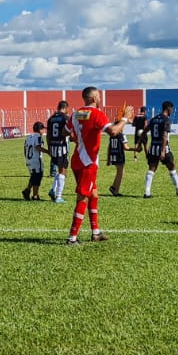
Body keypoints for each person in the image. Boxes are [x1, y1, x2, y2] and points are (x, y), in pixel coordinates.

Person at [67, 86, 129, 245]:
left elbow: (64, 132)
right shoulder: (97, 114)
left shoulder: (75, 113)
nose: (100, 99)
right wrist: (125, 119)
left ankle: (96, 233)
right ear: (94, 98)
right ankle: (72, 238)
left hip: (77, 160)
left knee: (93, 194)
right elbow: (113, 132)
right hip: (88, 163)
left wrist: (80, 139)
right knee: (83, 197)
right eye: (99, 97)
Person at [143, 100, 178, 197]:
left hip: (153, 147)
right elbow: (164, 136)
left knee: (151, 169)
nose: (172, 111)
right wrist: (163, 151)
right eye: (172, 109)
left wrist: (139, 144)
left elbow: (144, 131)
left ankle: (147, 192)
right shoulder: (166, 120)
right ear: (168, 108)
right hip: (164, 148)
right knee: (172, 166)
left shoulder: (154, 119)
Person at [45, 100, 72, 202]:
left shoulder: (51, 118)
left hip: (53, 147)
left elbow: (48, 135)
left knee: (60, 170)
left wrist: (49, 147)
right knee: (63, 171)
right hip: (62, 148)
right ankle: (59, 196)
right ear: (65, 108)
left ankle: (53, 190)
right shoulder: (65, 118)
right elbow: (68, 132)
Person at [106, 116, 129, 195]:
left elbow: (109, 147)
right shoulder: (122, 135)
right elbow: (126, 147)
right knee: (121, 173)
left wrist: (108, 158)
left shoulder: (112, 135)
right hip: (119, 155)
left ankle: (113, 186)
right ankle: (116, 191)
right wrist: (136, 149)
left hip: (113, 154)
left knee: (120, 171)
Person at [22, 121, 45, 200]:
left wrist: (26, 158)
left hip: (29, 159)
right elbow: (38, 147)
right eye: (43, 129)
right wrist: (48, 152)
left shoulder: (28, 137)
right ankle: (35, 195)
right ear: (40, 130)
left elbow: (25, 148)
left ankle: (27, 190)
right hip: (36, 159)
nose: (43, 131)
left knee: (34, 176)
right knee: (38, 176)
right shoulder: (38, 136)